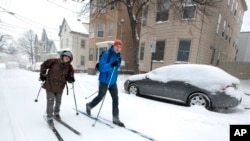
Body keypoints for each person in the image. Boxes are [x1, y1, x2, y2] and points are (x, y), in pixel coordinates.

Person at [86, 39, 125, 127]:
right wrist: (111, 65)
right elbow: (102, 68)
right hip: (104, 81)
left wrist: (116, 64)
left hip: (113, 82)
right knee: (100, 97)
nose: (118, 48)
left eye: (120, 47)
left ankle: (116, 118)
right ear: (113, 46)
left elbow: (116, 68)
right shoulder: (106, 54)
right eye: (117, 46)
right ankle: (89, 105)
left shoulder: (119, 57)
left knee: (115, 99)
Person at [39, 50, 75, 126]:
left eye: (69, 58)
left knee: (58, 101)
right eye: (66, 57)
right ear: (62, 56)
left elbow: (70, 76)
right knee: (50, 101)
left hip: (60, 86)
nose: (67, 59)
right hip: (50, 85)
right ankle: (49, 117)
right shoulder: (53, 61)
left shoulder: (69, 67)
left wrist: (71, 79)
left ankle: (56, 113)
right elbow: (43, 65)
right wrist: (42, 74)